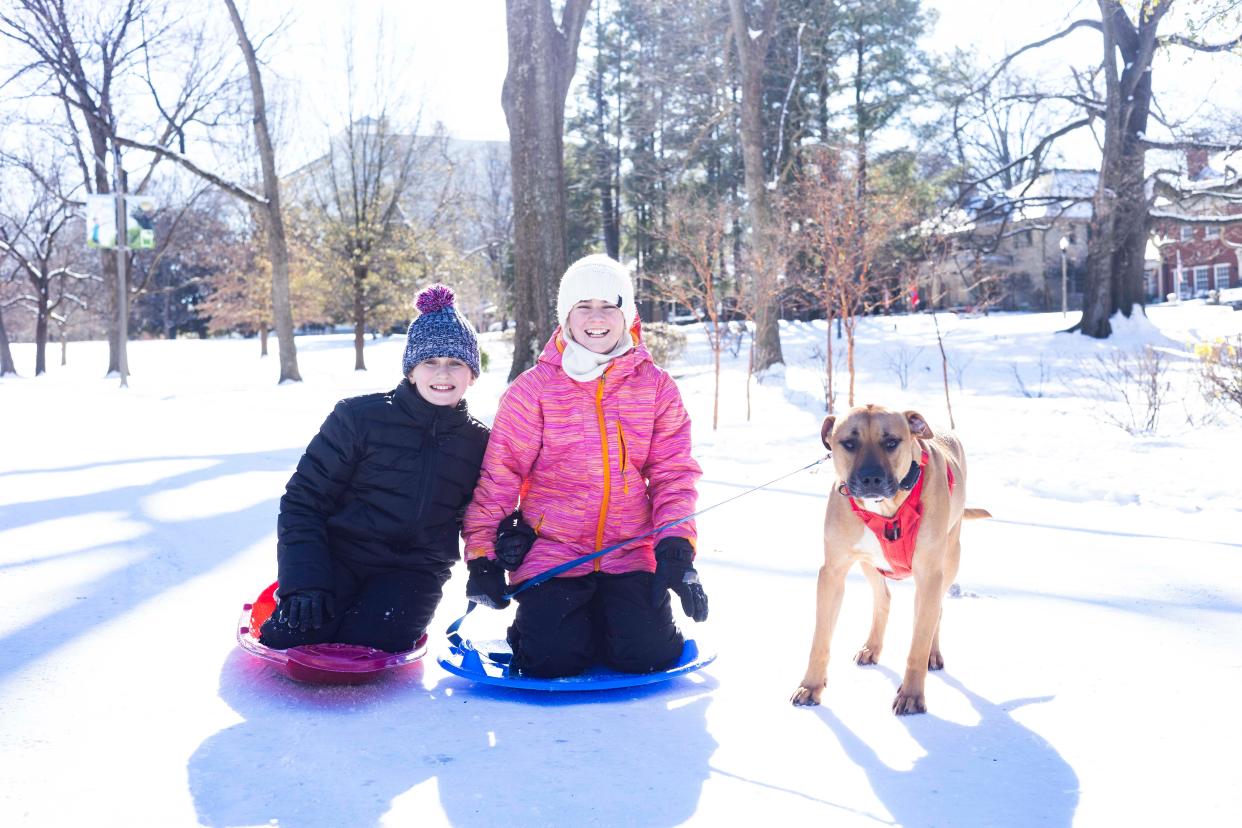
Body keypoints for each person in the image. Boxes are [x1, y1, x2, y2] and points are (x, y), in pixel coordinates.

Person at [462, 254, 708, 678]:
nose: (597, 318)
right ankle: (555, 628)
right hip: (551, 550)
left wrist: (675, 546)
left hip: (629, 550)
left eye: (609, 306)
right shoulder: (533, 390)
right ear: (566, 317)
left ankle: (609, 623)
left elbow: (673, 474)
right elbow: (499, 476)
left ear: (627, 314)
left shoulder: (655, 387)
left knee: (647, 655)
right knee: (551, 660)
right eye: (584, 307)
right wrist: (483, 556)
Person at [259, 284, 489, 653]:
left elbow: (488, 513)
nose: (442, 373)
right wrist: (305, 583)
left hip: (414, 571)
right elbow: (304, 502)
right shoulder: (357, 418)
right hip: (340, 556)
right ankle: (293, 594)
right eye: (430, 361)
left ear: (472, 375)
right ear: (411, 371)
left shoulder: (479, 443)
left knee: (369, 645)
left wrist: (498, 553)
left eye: (455, 363)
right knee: (292, 638)